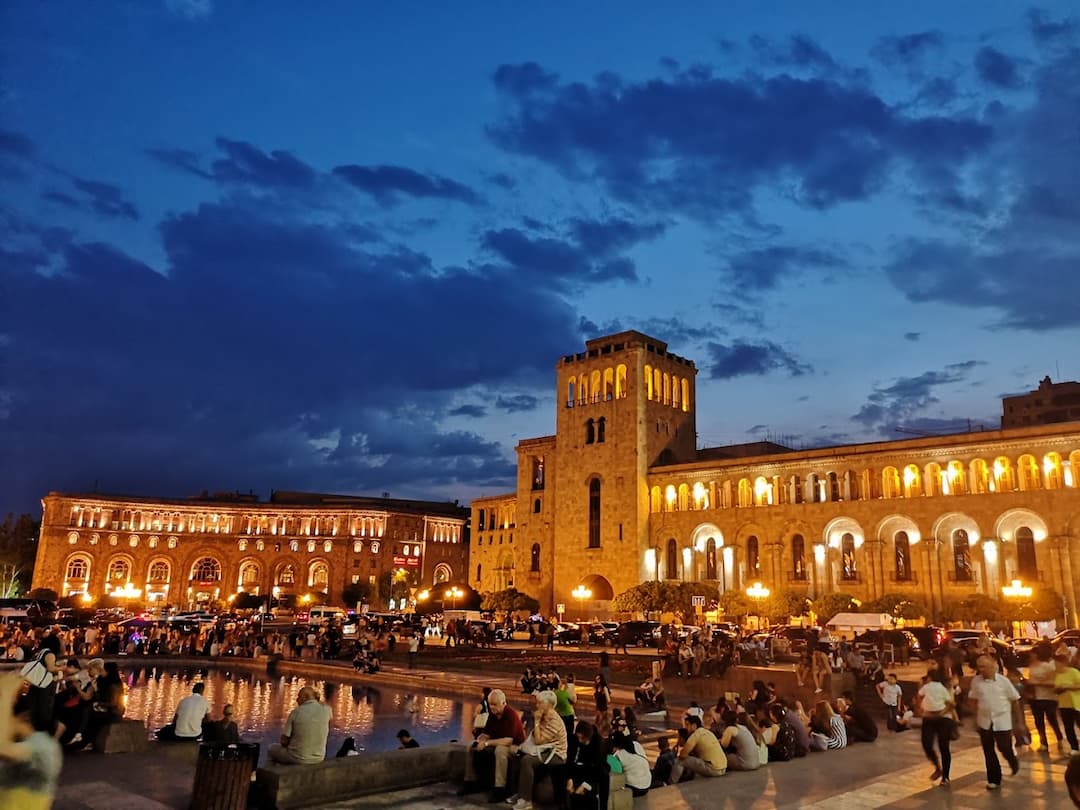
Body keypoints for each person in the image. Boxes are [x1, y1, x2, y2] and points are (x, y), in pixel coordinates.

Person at [0, 672, 62, 810]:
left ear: (23, 718)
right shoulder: (21, 744)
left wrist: (6, 697)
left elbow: (1, 747)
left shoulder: (43, 746)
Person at [459, 688, 525, 802]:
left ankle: (500, 788)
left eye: (495, 704)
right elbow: (487, 733)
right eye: (490, 704)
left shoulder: (511, 715)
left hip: (515, 746)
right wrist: (481, 739)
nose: (492, 707)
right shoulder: (492, 715)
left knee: (500, 750)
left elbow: (508, 740)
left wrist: (486, 743)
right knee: (471, 747)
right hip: (498, 741)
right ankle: (470, 781)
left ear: (503, 703)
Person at [968, 654, 1020, 790]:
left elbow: (1015, 700)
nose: (982, 669)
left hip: (1002, 720)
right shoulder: (976, 681)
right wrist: (975, 718)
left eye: (984, 666)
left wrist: (1019, 722)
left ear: (992, 665)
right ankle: (994, 779)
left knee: (1004, 747)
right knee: (988, 751)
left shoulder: (1003, 681)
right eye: (979, 667)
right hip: (984, 721)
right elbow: (973, 699)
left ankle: (1012, 760)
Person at [509, 690, 567, 810]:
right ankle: (520, 793)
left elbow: (538, 740)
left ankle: (526, 800)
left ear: (549, 705)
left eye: (540, 703)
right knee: (516, 755)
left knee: (527, 761)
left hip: (555, 754)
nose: (537, 705)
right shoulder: (543, 716)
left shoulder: (554, 721)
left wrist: (536, 721)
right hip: (543, 750)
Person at [268, 686, 332, 765]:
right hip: (319, 758)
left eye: (299, 697)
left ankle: (267, 774)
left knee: (271, 749)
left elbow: (284, 741)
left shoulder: (296, 712)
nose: (297, 700)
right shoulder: (327, 710)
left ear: (306, 697)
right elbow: (324, 705)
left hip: (298, 757)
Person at [917, 668, 955, 786]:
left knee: (943, 746)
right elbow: (919, 697)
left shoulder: (942, 687)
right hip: (929, 718)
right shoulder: (928, 687)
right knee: (927, 743)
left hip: (943, 719)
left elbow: (951, 704)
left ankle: (945, 776)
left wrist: (940, 713)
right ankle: (938, 768)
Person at [1028, 642, 1065, 754]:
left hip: (1049, 697)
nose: (1031, 656)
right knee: (1039, 721)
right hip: (1035, 698)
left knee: (1052, 719)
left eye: (1033, 654)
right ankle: (1043, 743)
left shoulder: (1048, 666)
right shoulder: (1032, 666)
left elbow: (1055, 682)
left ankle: (1059, 737)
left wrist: (1039, 683)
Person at [563, 720, 605, 810]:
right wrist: (570, 779)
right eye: (578, 737)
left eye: (582, 738)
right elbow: (570, 761)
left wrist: (584, 785)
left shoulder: (597, 745)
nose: (580, 741)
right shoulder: (574, 742)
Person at [671, 714, 726, 781]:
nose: (685, 727)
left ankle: (671, 782)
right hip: (723, 768)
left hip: (714, 769)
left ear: (694, 726)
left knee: (680, 761)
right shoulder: (707, 732)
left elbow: (683, 755)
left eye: (687, 725)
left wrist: (678, 748)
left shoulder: (695, 735)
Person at [1055, 648, 1080, 755]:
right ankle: (1074, 748)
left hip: (1076, 704)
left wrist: (1068, 686)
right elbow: (1056, 689)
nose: (1056, 666)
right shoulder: (1057, 675)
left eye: (1057, 664)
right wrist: (1059, 689)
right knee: (1068, 727)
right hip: (1064, 705)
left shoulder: (1073, 672)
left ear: (1063, 663)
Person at [610, 732, 650, 797]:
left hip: (634, 789)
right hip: (647, 785)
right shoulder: (636, 744)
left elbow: (615, 776)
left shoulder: (618, 756)